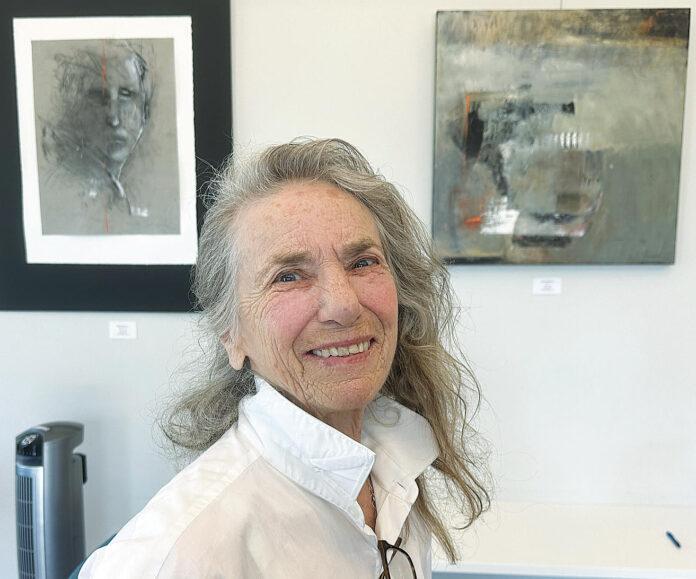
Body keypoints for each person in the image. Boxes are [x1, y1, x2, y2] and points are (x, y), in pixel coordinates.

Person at [79, 138, 489, 578]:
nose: (344, 304)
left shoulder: (394, 465)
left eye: (362, 263)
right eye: (289, 276)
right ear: (231, 335)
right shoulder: (174, 556)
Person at [42, 40, 152, 220]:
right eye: (98, 97)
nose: (114, 118)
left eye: (126, 95)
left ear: (144, 112)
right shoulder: (64, 197)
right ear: (75, 110)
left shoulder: (119, 197)